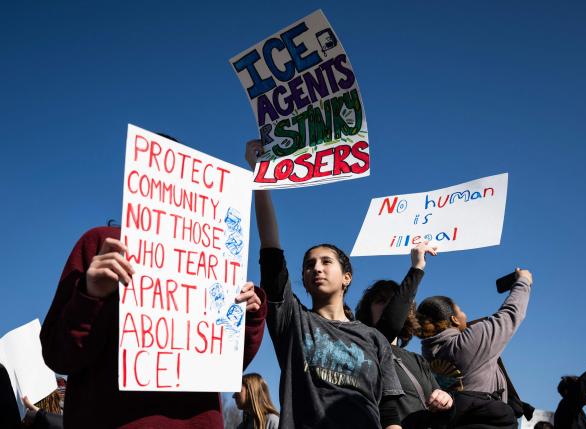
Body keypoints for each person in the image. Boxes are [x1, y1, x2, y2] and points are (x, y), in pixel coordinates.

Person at [40, 225, 267, 429]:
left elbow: (224, 368)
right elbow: (57, 354)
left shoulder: (213, 259)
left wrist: (249, 316)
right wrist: (90, 297)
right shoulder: (104, 244)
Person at [246, 140, 404, 429]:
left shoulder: (374, 340)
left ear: (347, 276)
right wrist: (259, 178)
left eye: (326, 261)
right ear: (303, 280)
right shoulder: (293, 321)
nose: (316, 267)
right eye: (308, 264)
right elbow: (270, 251)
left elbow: (390, 411)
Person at [355, 243, 455, 429]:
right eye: (380, 301)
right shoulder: (365, 347)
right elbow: (391, 322)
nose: (389, 305)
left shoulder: (417, 360)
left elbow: (440, 407)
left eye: (394, 300)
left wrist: (446, 400)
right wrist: (417, 268)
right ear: (367, 310)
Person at [416, 269, 532, 402]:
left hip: (452, 420)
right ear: (454, 320)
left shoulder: (427, 355)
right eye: (461, 310)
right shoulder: (469, 341)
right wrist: (523, 281)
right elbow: (511, 313)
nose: (465, 314)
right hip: (485, 418)